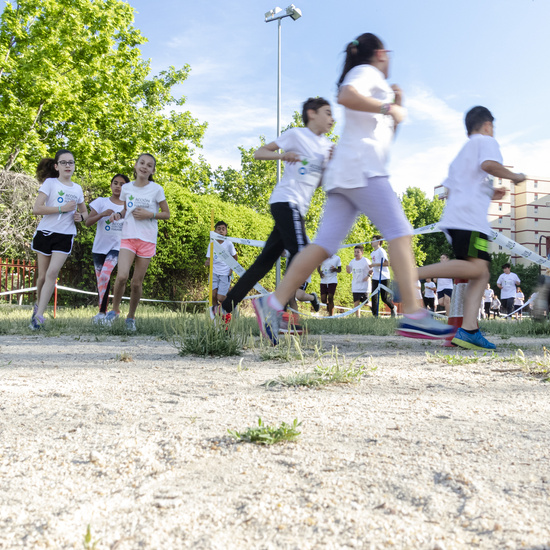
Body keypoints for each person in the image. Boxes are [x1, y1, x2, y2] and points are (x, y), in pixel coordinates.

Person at [252, 33, 455, 344]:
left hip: (347, 174)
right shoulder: (366, 73)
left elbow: (383, 138)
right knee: (400, 233)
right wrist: (389, 106)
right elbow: (346, 95)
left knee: (322, 247)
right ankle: (414, 313)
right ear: (381, 53)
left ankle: (272, 303)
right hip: (362, 171)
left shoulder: (378, 87)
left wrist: (396, 109)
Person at [214, 97, 334, 319]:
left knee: (263, 264)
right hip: (286, 201)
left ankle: (223, 309)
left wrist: (329, 166)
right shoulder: (296, 135)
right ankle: (274, 309)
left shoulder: (327, 146)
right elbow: (259, 153)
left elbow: (318, 183)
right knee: (302, 253)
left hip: (298, 207)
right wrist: (282, 155)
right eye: (327, 112)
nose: (332, 118)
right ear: (312, 113)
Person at [417, 106, 526, 349]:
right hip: (468, 221)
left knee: (481, 271)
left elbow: (462, 185)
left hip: (457, 219)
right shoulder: (485, 141)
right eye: (493, 128)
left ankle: (468, 330)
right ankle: (413, 274)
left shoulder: (462, 154)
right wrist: (514, 176)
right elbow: (489, 164)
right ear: (487, 125)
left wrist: (490, 191)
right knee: (479, 269)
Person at [104, 153, 170, 331]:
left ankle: (131, 318)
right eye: (142, 163)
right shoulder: (126, 188)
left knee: (136, 283)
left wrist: (150, 214)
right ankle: (115, 310)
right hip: (128, 237)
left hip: (147, 239)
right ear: (135, 165)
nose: (144, 167)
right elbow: (126, 211)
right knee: (122, 276)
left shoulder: (157, 189)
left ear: (152, 170)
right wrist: (118, 215)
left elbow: (167, 214)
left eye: (149, 165)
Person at [30, 149, 88, 330]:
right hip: (46, 232)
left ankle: (39, 317)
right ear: (57, 166)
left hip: (65, 235)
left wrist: (81, 217)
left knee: (52, 273)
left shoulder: (77, 188)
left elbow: (84, 212)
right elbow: (37, 209)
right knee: (42, 277)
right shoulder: (50, 183)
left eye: (71, 162)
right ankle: (38, 307)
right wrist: (61, 209)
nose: (68, 165)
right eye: (64, 162)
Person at [86, 174, 129, 324]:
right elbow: (87, 222)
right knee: (101, 281)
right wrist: (102, 214)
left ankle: (113, 310)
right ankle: (101, 313)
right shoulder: (100, 202)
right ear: (111, 185)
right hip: (99, 248)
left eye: (122, 184)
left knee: (105, 275)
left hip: (118, 247)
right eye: (115, 183)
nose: (118, 186)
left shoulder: (128, 206)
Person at [205, 221, 237, 317]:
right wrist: (207, 262)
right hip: (214, 272)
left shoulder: (228, 243)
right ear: (215, 231)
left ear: (226, 231)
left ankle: (232, 306)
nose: (221, 231)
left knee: (221, 297)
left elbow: (235, 257)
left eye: (223, 229)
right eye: (218, 229)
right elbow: (209, 258)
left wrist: (231, 269)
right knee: (213, 295)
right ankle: (216, 315)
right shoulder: (212, 244)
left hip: (225, 273)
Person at [370, 235, 395, 317]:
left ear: (378, 242)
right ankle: (375, 315)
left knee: (384, 298)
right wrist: (372, 269)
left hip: (384, 277)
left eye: (373, 240)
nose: (371, 242)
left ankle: (393, 307)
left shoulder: (381, 251)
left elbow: (387, 263)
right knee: (373, 296)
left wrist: (375, 264)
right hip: (375, 277)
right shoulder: (372, 253)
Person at [346, 245, 371, 318]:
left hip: (364, 286)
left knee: (365, 303)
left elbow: (371, 271)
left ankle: (373, 304)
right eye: (355, 252)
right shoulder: (352, 262)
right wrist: (347, 270)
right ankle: (358, 318)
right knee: (356, 303)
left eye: (358, 252)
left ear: (362, 252)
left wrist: (368, 276)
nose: (356, 253)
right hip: (355, 285)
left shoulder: (366, 261)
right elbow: (349, 271)